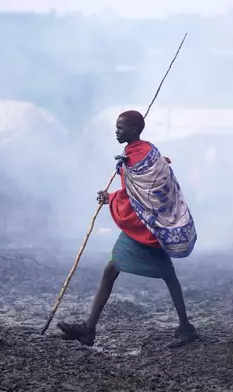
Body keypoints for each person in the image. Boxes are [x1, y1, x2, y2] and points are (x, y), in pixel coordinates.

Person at [57, 110, 199, 348]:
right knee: (113, 270)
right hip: (145, 228)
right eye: (116, 127)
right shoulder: (141, 153)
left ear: (134, 130)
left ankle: (186, 328)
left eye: (121, 128)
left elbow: (148, 195)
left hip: (149, 229)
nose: (116, 131)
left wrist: (112, 198)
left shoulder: (142, 157)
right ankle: (89, 330)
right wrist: (111, 196)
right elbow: (134, 193)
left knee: (166, 275)